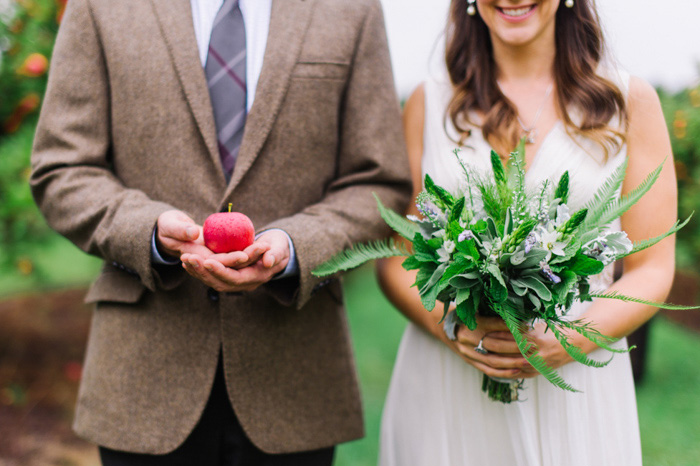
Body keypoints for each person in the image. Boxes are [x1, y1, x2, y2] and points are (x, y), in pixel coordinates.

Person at [30, 0, 411, 464]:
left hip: (294, 377)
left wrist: (294, 248)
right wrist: (147, 231)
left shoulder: (352, 9)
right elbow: (63, 169)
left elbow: (377, 182)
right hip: (142, 380)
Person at [377, 0, 676, 465]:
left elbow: (653, 266)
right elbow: (396, 256)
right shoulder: (428, 102)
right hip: (447, 378)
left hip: (575, 385)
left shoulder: (628, 102)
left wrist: (571, 340)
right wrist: (452, 328)